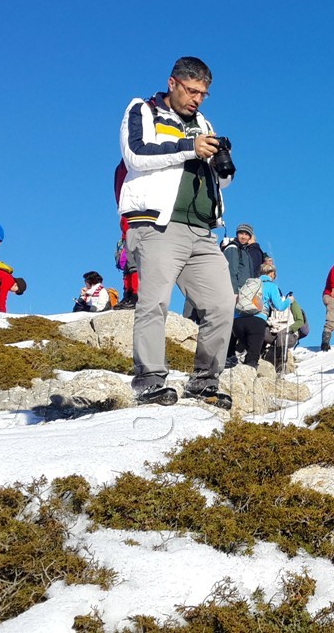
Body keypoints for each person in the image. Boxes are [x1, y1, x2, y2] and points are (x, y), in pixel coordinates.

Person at [118, 56, 236, 408]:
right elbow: (135, 154)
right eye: (192, 90)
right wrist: (190, 148)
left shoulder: (204, 123)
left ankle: (204, 381)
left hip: (201, 230)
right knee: (154, 302)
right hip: (157, 224)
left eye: (204, 93)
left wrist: (220, 160)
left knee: (221, 304)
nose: (197, 99)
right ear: (173, 83)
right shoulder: (144, 110)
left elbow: (224, 182)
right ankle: (150, 379)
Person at [257, 260, 295, 372]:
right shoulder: (271, 286)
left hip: (241, 317)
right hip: (259, 317)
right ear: (271, 273)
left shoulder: (252, 283)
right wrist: (289, 300)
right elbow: (279, 306)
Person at [221, 223, 268, 292]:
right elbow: (231, 271)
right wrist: (234, 292)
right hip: (236, 290)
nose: (243, 237)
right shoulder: (233, 247)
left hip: (245, 290)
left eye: (246, 234)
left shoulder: (244, 250)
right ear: (237, 234)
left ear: (250, 237)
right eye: (241, 233)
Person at [114, 216, 139, 309]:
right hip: (127, 238)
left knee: (133, 268)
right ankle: (128, 295)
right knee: (127, 269)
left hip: (134, 236)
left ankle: (135, 297)